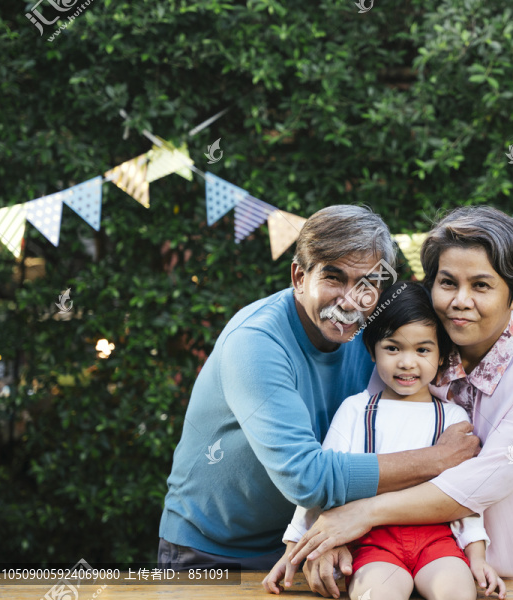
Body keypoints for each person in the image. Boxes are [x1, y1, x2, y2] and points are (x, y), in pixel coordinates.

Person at [157, 205, 481, 596]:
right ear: (299, 276)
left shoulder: (371, 338)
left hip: (308, 540)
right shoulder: (256, 342)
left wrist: (333, 530)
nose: (349, 300)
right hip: (213, 550)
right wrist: (437, 459)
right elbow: (306, 477)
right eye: (333, 277)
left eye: (366, 283)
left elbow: (354, 446)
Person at [289, 205, 513, 581]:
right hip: (402, 562)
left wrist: (359, 515)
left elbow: (484, 481)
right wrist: (327, 537)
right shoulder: (412, 348)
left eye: (481, 285)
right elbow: (367, 448)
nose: (460, 300)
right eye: (447, 283)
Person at [264, 282, 506, 600]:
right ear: (372, 350)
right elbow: (321, 488)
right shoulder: (355, 410)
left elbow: (466, 495)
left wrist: (477, 559)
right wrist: (292, 552)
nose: (407, 362)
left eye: (422, 350)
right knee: (377, 594)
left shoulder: (453, 418)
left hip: (437, 541)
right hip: (373, 544)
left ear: (442, 353)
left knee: (457, 592)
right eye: (393, 348)